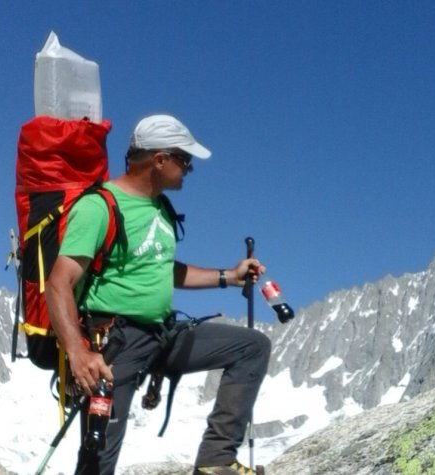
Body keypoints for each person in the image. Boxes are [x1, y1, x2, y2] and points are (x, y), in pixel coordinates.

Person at [45, 114, 272, 475]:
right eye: (185, 160)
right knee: (97, 459)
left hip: (162, 334)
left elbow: (164, 268)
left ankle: (214, 462)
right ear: (160, 160)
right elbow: (58, 283)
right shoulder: (99, 206)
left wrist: (229, 276)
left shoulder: (161, 209)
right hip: (115, 342)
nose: (189, 169)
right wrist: (78, 352)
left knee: (252, 347)